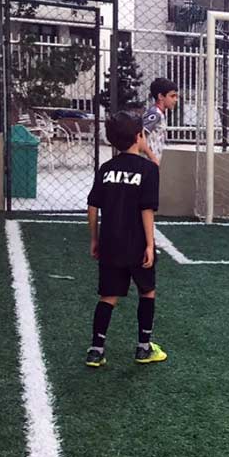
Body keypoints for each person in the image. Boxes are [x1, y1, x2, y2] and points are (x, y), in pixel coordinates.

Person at [85, 111, 166, 367]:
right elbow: (146, 209)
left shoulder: (106, 169)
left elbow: (92, 207)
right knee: (147, 291)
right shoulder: (148, 170)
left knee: (108, 296)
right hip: (137, 244)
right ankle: (143, 348)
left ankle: (96, 350)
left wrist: (95, 239)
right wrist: (150, 244)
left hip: (110, 243)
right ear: (139, 136)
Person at [141, 77, 179, 165]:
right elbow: (140, 135)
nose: (175, 99)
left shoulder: (159, 113)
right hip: (146, 162)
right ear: (160, 96)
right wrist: (153, 158)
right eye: (172, 96)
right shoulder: (155, 114)